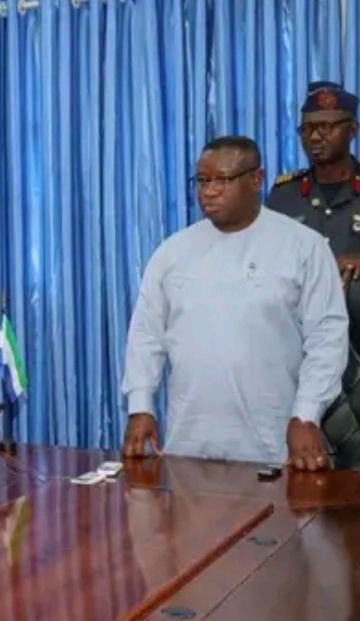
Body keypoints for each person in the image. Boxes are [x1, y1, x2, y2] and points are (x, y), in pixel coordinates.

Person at [121, 136, 348, 470]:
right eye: (202, 180)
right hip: (189, 446)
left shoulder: (303, 247)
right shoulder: (174, 252)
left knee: (273, 522)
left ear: (256, 180)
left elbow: (327, 338)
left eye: (222, 180)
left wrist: (306, 415)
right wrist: (140, 406)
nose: (208, 191)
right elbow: (146, 334)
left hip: (271, 445)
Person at [268, 81, 360, 280]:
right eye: (306, 129)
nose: (315, 137)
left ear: (352, 130)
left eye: (325, 127)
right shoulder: (284, 194)